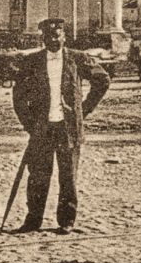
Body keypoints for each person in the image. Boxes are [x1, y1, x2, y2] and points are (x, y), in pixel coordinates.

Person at [12, 17, 110, 235]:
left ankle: (66, 220)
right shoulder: (32, 62)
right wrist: (28, 122)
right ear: (43, 38)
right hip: (42, 128)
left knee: (68, 176)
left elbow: (103, 81)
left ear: (64, 36)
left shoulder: (78, 59)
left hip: (69, 129)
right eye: (48, 36)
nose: (52, 40)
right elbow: (18, 94)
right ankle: (33, 219)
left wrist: (82, 111)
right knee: (37, 175)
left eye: (56, 35)